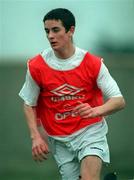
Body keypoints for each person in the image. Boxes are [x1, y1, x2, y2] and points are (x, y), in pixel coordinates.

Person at [19, 8, 125, 180]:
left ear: (71, 31)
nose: (50, 36)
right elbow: (28, 103)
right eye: (47, 31)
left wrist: (95, 111)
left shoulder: (92, 63)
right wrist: (35, 137)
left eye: (56, 30)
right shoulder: (37, 66)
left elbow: (119, 100)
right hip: (59, 140)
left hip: (90, 131)